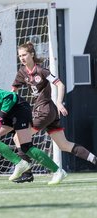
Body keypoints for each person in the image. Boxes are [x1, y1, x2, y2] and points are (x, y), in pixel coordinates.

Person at [10, 42, 97, 183]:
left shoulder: (41, 71)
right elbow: (13, 90)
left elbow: (60, 84)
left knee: (18, 137)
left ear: (32, 54)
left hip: (45, 110)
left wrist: (58, 102)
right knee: (64, 145)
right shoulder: (22, 72)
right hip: (47, 113)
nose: (22, 58)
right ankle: (95, 160)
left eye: (24, 54)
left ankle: (27, 173)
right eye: (20, 56)